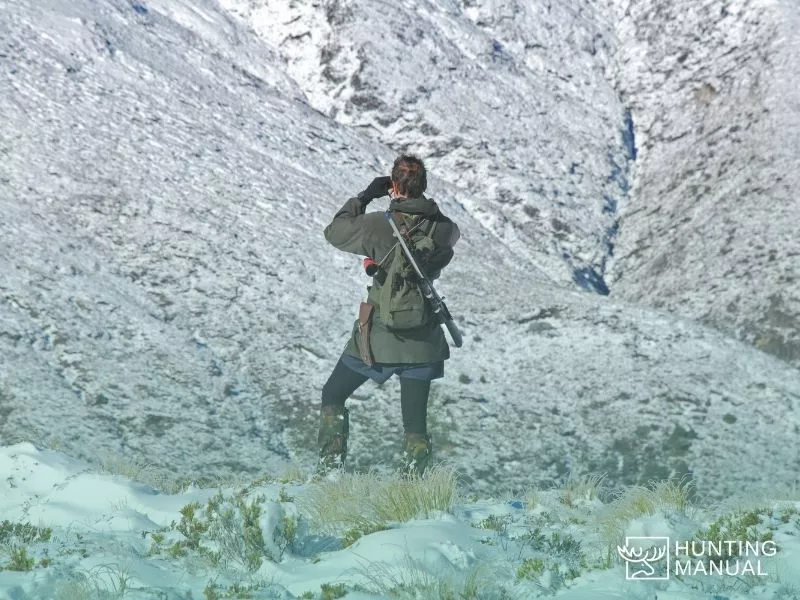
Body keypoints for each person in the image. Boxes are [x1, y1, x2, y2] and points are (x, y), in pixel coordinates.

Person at [319, 154, 460, 478]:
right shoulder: (443, 228)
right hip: (422, 339)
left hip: (378, 338)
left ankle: (329, 475)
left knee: (333, 394)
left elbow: (334, 231)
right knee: (415, 426)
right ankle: (412, 489)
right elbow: (444, 248)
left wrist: (366, 196)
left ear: (393, 186)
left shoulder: (376, 225)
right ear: (423, 186)